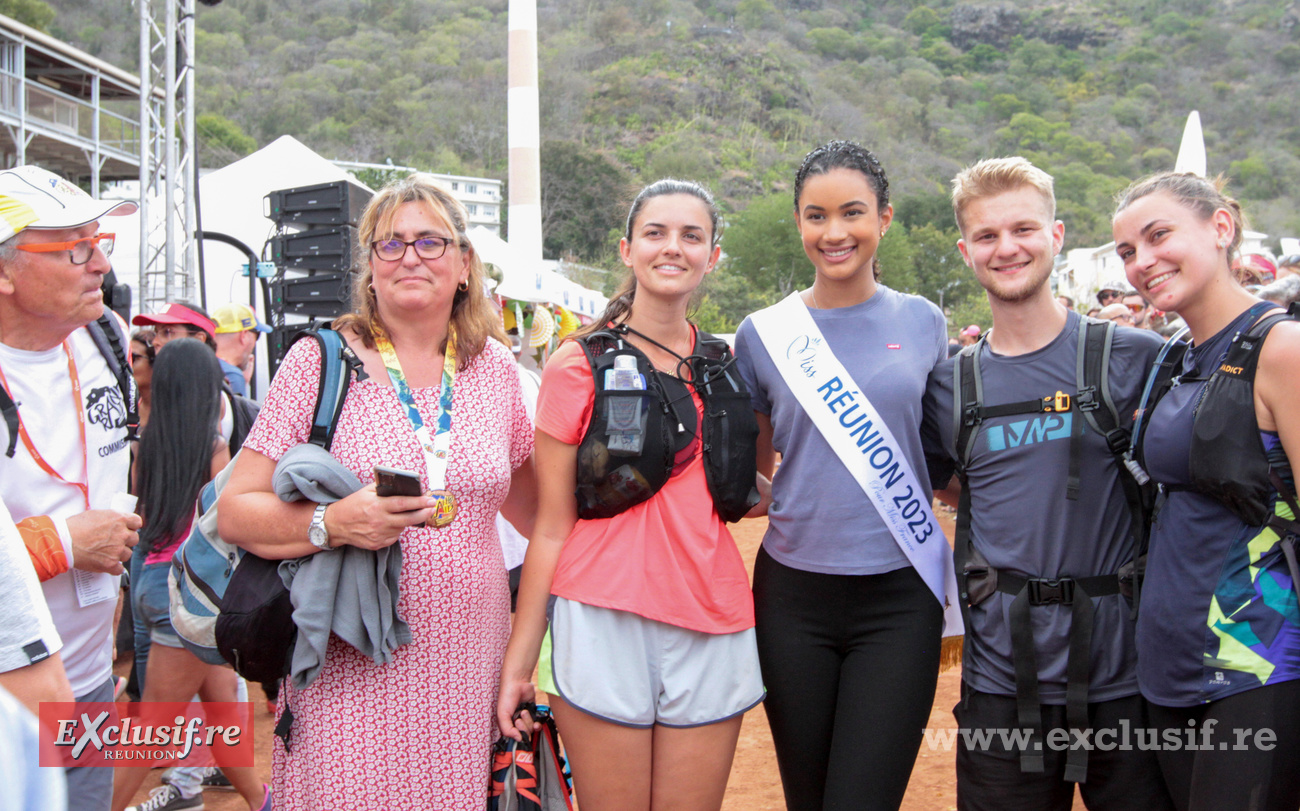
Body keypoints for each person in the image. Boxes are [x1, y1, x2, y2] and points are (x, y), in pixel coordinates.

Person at [218, 173, 536, 808]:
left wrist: (525, 657)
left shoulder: (496, 372)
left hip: (470, 665)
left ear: (465, 264)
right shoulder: (322, 361)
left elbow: (545, 521)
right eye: (389, 244)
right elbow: (235, 510)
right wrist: (332, 522)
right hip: (347, 661)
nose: (410, 256)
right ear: (370, 268)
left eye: (430, 241)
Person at [497, 179, 764, 811]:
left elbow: (752, 488)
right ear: (627, 249)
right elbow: (552, 527)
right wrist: (520, 665)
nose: (673, 248)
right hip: (601, 618)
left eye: (691, 236)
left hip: (713, 620)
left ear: (713, 255)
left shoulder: (727, 367)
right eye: (656, 232)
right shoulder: (576, 363)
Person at [922, 157, 1172, 811]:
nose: (1007, 247)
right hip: (1003, 683)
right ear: (966, 250)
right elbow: (949, 483)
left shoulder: (1133, 358)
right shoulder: (949, 385)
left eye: (1024, 228)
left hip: (1127, 677)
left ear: (1056, 234)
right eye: (986, 235)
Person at [733, 141, 958, 811]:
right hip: (792, 598)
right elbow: (757, 467)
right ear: (799, 223)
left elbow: (934, 451)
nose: (835, 232)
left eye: (853, 212)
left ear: (884, 218)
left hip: (899, 599)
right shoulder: (762, 333)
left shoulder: (922, 320)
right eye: (816, 215)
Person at [1113, 172, 1300, 811]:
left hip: (1257, 663)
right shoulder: (1173, 357)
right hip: (1167, 663)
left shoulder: (1281, 348)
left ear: (1220, 228)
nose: (1143, 262)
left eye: (1159, 236)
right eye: (1127, 252)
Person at [0, 164, 141, 811]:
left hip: (89, 684)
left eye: (101, 242)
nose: (101, 266)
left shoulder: (107, 337)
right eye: (75, 248)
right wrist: (61, 543)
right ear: (5, 271)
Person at [110, 339, 266, 811]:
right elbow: (221, 528)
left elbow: (141, 510)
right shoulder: (215, 448)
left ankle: (264, 801)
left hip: (151, 583)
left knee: (222, 718)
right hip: (192, 593)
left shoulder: (147, 444)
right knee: (152, 732)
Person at [211, 302, 270, 398]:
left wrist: (243, 382)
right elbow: (236, 412)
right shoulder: (231, 375)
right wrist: (238, 380)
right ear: (244, 336)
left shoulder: (199, 363)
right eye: (257, 335)